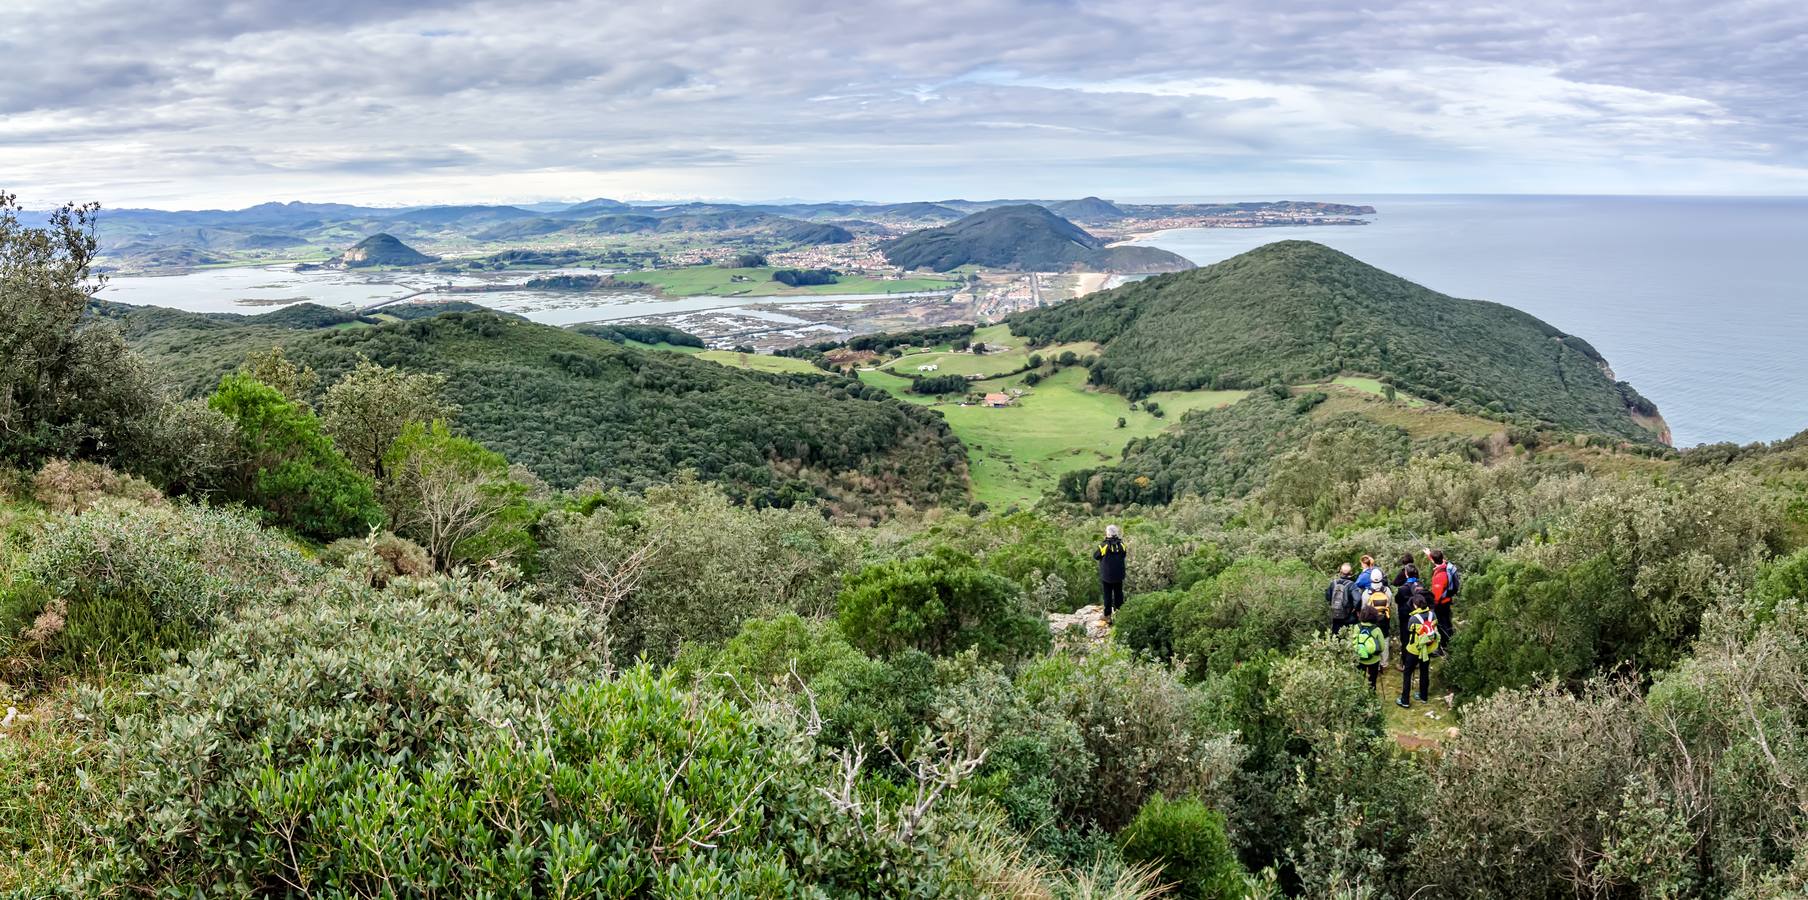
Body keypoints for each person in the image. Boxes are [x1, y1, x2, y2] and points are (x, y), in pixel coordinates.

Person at [1398, 586, 1440, 708]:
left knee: (1407, 673)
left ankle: (1405, 699)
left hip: (1414, 649)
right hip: (1428, 648)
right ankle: (1423, 696)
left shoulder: (1413, 618)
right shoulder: (1433, 615)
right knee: (1424, 671)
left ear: (1415, 605)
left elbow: (1409, 629)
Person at [1426, 548, 1458, 653]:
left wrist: (1431, 606)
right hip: (1447, 600)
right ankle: (1452, 641)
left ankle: (1444, 646)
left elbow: (1436, 595)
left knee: (1441, 624)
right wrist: (1429, 554)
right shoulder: (1445, 566)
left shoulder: (1439, 576)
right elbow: (1436, 561)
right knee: (1447, 622)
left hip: (1440, 603)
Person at [1094, 525, 1128, 624]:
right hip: (1119, 574)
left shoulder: (1103, 545)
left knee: (1107, 594)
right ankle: (1120, 614)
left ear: (1107, 534)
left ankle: (1107, 615)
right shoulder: (1121, 545)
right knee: (1119, 594)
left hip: (1107, 575)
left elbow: (1096, 556)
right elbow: (1124, 555)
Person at [1352, 604, 1385, 691]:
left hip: (1359, 658)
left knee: (1359, 680)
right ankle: (1372, 697)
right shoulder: (1376, 629)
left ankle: (1359, 697)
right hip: (1374, 659)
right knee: (1372, 681)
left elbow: (1352, 641)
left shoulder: (1357, 627)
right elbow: (1382, 647)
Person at [1327, 563, 1358, 634]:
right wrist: (1355, 609)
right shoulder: (1352, 585)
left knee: (1336, 637)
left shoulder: (1333, 583)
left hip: (1335, 615)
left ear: (1340, 571)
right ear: (1351, 573)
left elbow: (1328, 597)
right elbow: (1357, 599)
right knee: (1349, 637)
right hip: (1349, 616)